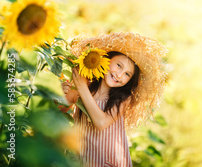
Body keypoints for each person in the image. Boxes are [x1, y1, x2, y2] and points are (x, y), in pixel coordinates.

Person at [60, 32, 168, 167]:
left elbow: (101, 123)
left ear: (130, 80)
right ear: (107, 59)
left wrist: (81, 87)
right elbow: (61, 111)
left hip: (108, 161)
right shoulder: (86, 83)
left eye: (127, 74)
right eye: (119, 65)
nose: (119, 75)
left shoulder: (123, 98)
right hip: (81, 159)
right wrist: (63, 95)